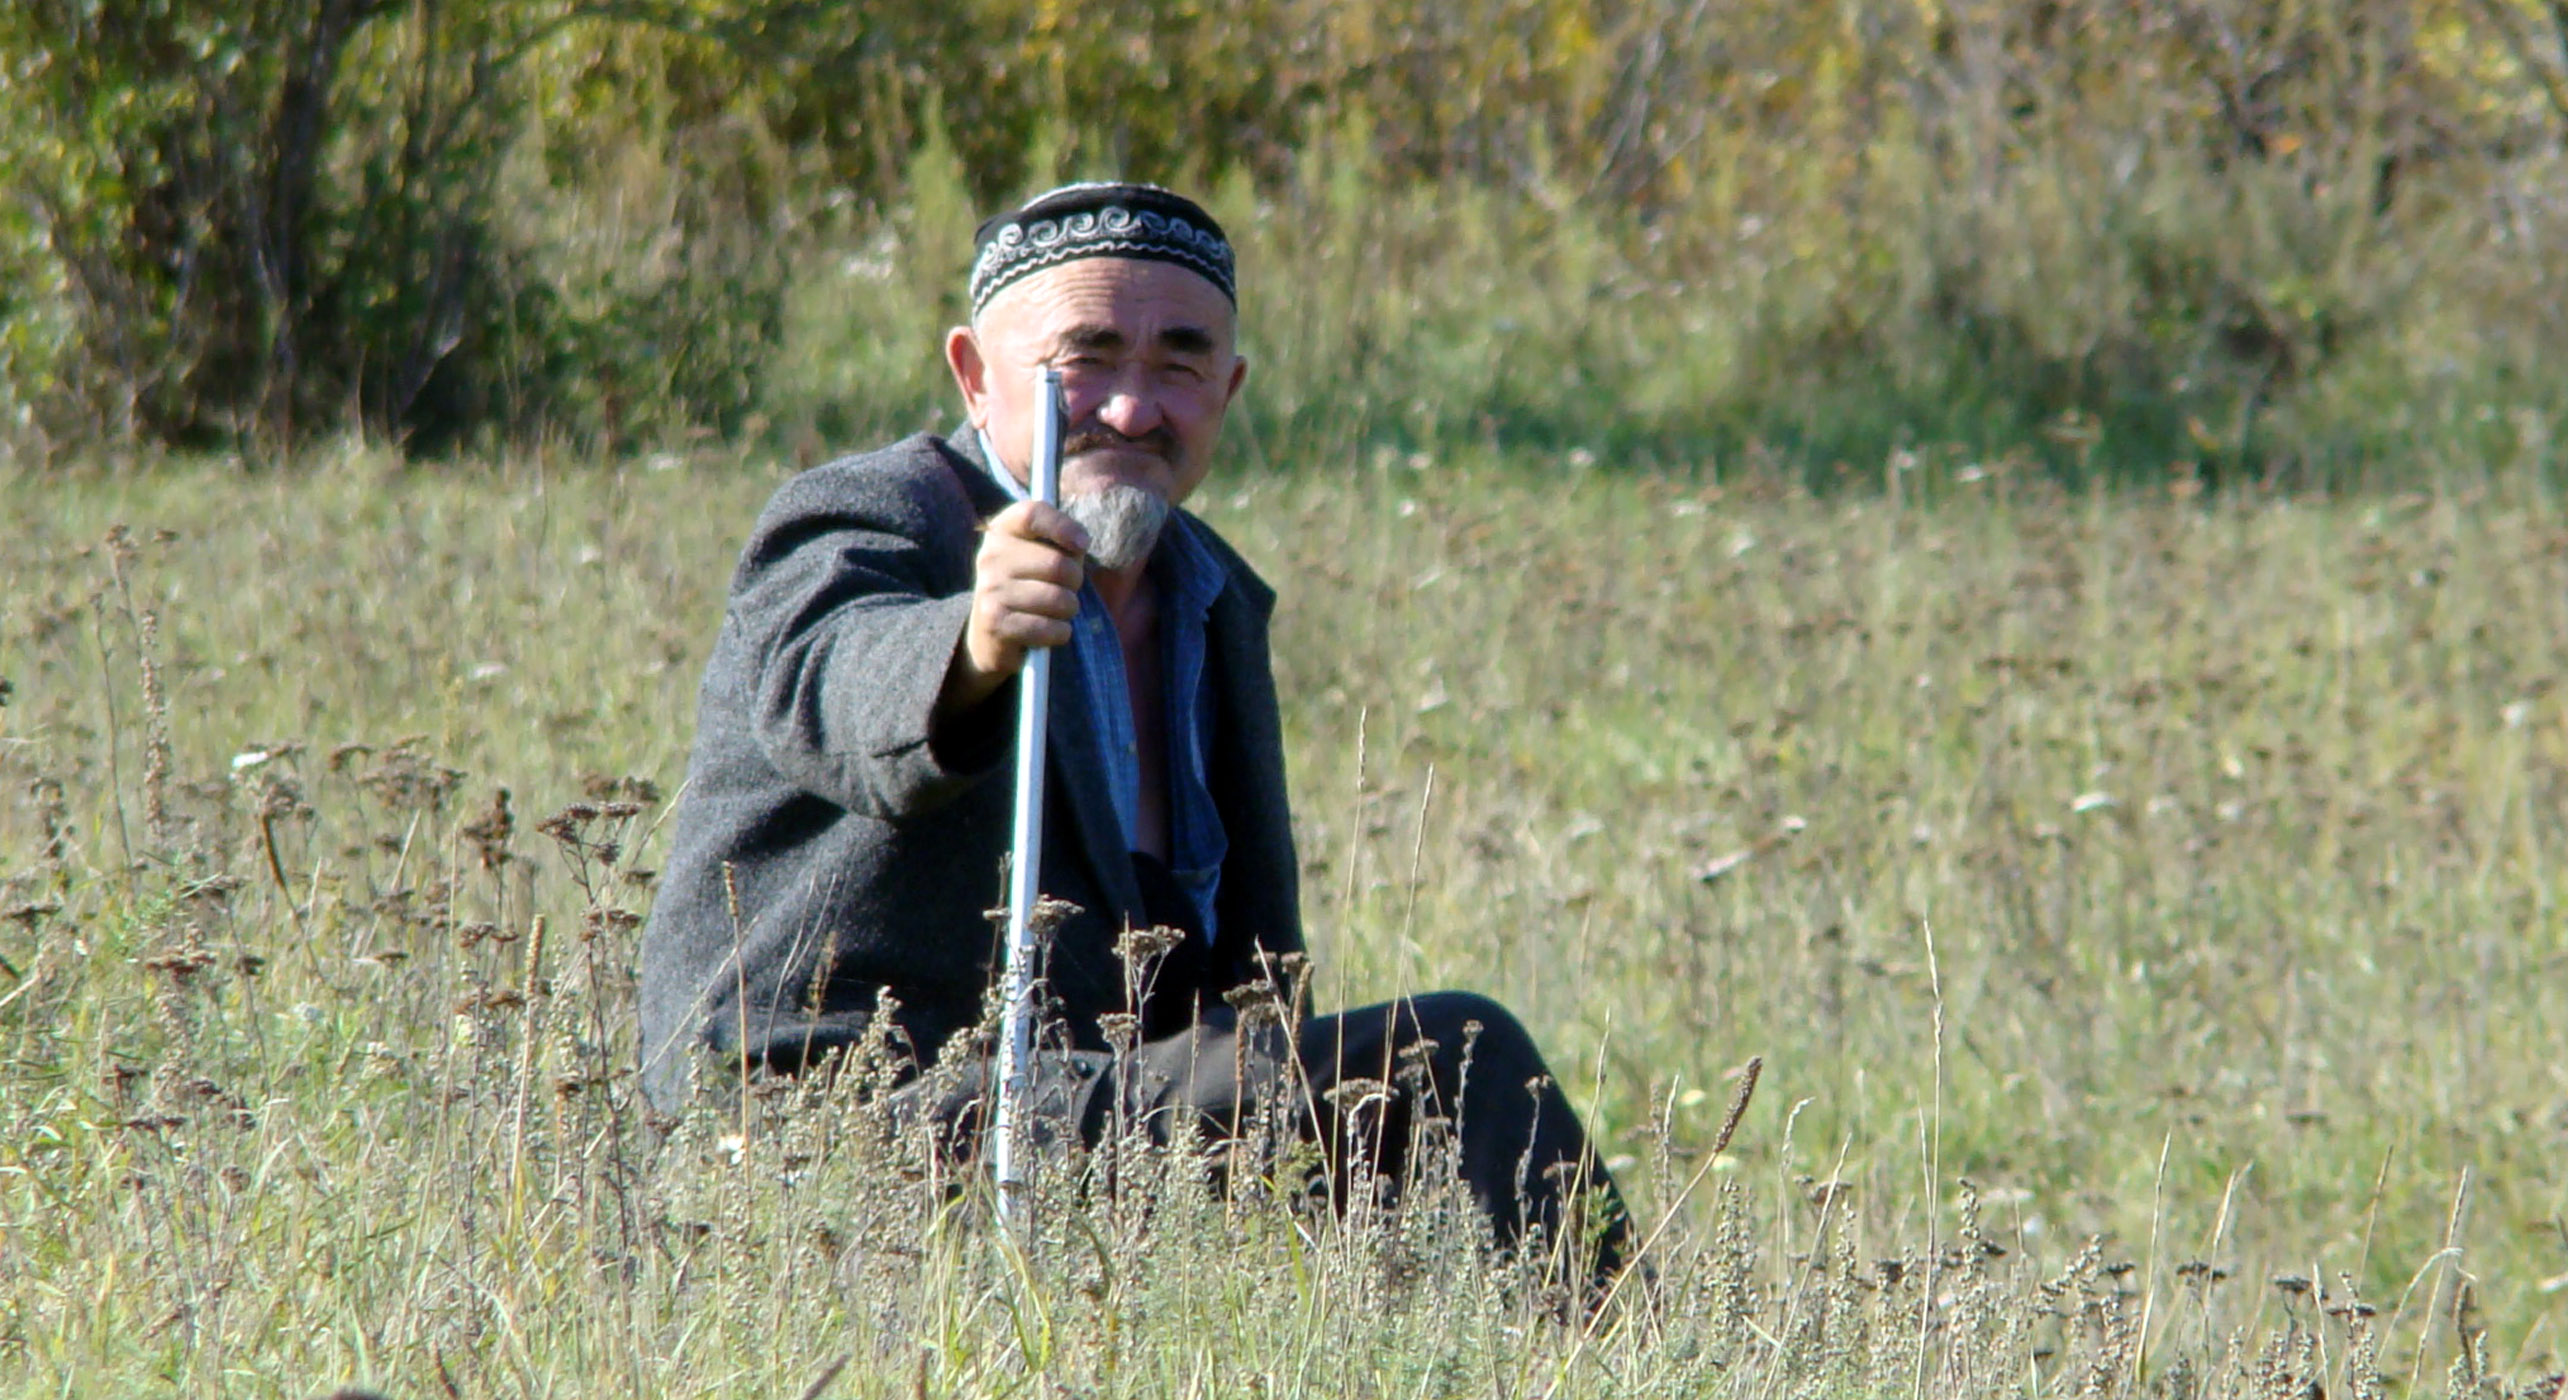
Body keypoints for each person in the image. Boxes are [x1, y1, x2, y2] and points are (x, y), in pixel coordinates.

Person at [637, 182, 1631, 1283]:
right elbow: (830, 681)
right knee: (1454, 1061)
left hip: (1088, 1117)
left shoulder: (1211, 598)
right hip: (836, 1124)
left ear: (1230, 389)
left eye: (1180, 363)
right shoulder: (868, 518)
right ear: (973, 372)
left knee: (1367, 1127)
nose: (1130, 407)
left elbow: (1240, 992)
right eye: (1088, 357)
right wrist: (974, 642)